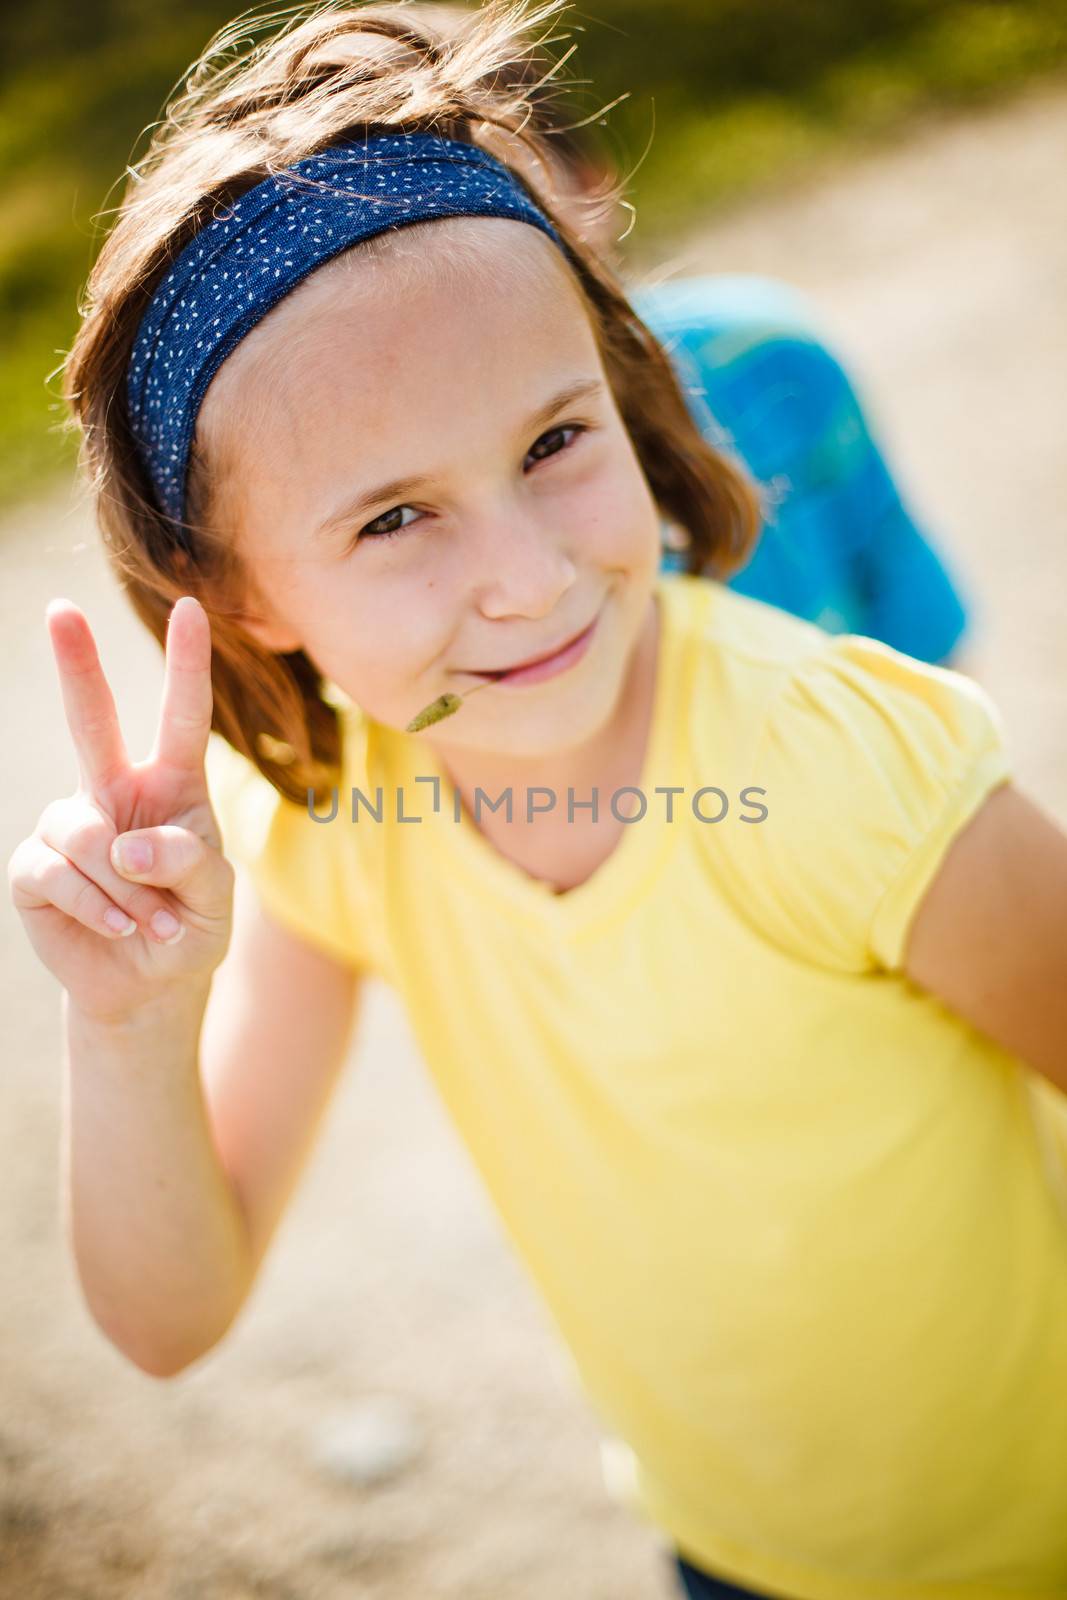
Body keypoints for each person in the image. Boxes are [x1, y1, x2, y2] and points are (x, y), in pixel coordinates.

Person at [9, 4, 1067, 1598]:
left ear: (622, 389)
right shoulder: (326, 814)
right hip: (733, 1551)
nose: (525, 577)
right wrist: (129, 1022)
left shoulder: (841, 763)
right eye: (393, 521)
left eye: (553, 440)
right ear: (238, 601)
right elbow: (173, 1314)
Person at [415, 1, 974, 671]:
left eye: (504, 212)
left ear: (593, 190)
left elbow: (928, 655)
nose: (465, 297)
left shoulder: (769, 361)